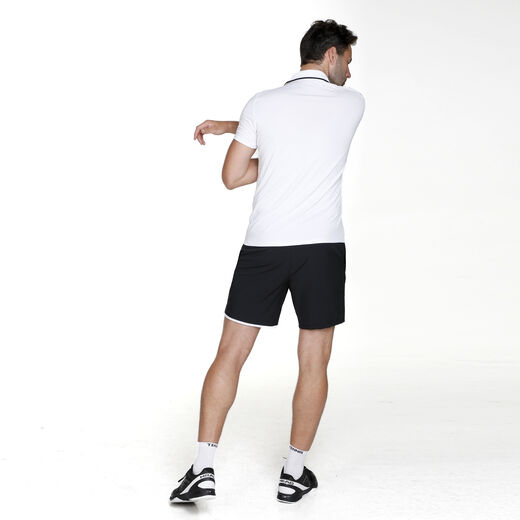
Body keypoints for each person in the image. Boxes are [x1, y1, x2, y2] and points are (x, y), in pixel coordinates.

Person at [169, 18, 365, 505]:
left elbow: (233, 176)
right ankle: (293, 475)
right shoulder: (352, 104)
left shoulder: (261, 105)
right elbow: (305, 133)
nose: (350, 72)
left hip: (264, 248)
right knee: (314, 361)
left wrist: (233, 126)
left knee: (230, 355)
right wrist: (239, 126)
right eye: (348, 61)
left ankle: (202, 468)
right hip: (321, 250)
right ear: (331, 55)